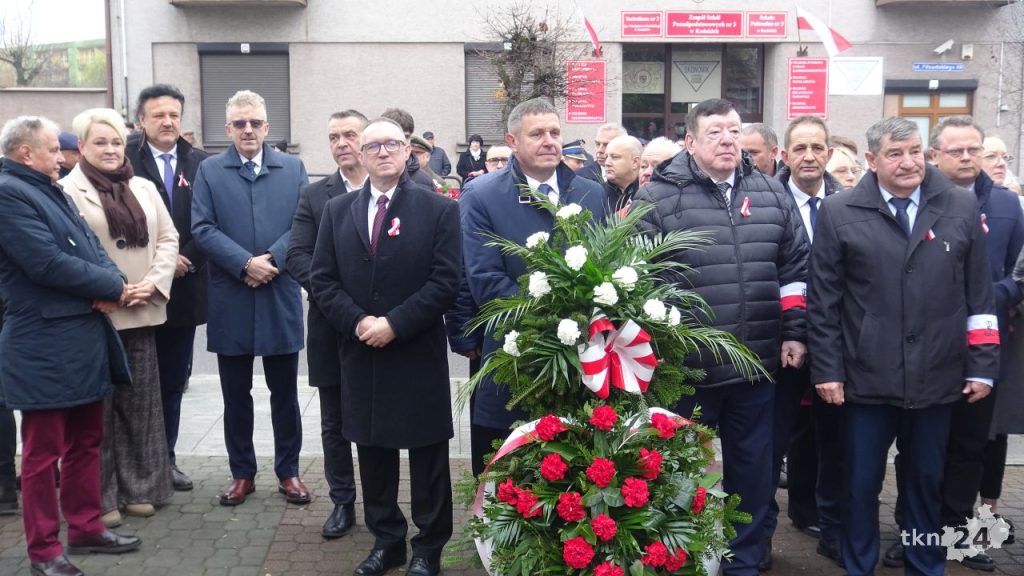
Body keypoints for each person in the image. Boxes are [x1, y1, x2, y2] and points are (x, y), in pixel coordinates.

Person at [809, 116, 999, 576]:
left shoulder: (960, 205)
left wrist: (982, 365)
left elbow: (980, 296)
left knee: (926, 483)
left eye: (915, 151)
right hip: (865, 379)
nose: (908, 162)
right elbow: (824, 302)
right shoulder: (839, 211)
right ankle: (859, 564)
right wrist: (828, 370)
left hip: (938, 375)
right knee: (860, 484)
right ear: (871, 160)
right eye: (895, 154)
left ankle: (924, 563)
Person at [633, 98, 809, 576]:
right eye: (715, 132)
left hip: (756, 366)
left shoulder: (771, 193)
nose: (728, 139)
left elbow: (795, 268)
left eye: (733, 130)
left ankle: (743, 560)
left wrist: (794, 333)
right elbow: (640, 280)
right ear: (690, 141)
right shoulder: (657, 198)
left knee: (753, 472)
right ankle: (686, 559)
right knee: (685, 475)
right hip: (689, 370)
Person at [310, 117, 461, 576]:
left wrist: (395, 324)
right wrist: (359, 322)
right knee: (373, 452)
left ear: (407, 151)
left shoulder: (438, 209)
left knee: (427, 456)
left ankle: (429, 546)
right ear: (361, 154)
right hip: (362, 352)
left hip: (415, 352)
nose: (382, 152)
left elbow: (446, 281)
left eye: (391, 144)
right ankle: (387, 541)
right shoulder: (337, 211)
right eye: (373, 145)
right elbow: (322, 279)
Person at [0, 115, 141, 576]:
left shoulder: (50, 189)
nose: (62, 158)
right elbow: (45, 262)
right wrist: (111, 287)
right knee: (42, 455)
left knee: (86, 439)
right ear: (26, 154)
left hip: (82, 337)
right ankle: (44, 551)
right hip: (42, 343)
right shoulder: (9, 193)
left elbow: (91, 247)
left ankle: (85, 528)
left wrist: (115, 281)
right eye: (52, 150)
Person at [883, 116, 1024, 572]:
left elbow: (1018, 274)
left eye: (973, 149)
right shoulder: (918, 199)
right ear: (934, 155)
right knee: (918, 448)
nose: (967, 157)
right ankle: (912, 533)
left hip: (984, 347)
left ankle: (956, 533)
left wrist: (989, 296)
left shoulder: (1007, 205)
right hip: (926, 349)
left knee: (969, 446)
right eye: (956, 150)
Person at [460, 97, 606, 475]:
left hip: (584, 359)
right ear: (512, 141)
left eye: (555, 132)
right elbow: (485, 280)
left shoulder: (592, 193)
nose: (549, 141)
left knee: (576, 477)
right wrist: (556, 321)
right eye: (537, 133)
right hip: (517, 359)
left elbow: (607, 265)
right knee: (511, 478)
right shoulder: (482, 196)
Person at [191, 90, 311, 507]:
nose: (248, 130)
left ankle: (289, 471)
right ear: (228, 129)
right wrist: (244, 263)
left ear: (266, 127)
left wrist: (271, 259)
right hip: (233, 295)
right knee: (235, 396)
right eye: (239, 123)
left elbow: (303, 224)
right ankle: (242, 472)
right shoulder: (210, 170)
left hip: (278, 291)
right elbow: (202, 228)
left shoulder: (293, 168)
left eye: (255, 123)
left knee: (285, 395)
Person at [61, 108, 179, 528]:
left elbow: (168, 238)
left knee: (141, 406)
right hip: (96, 313)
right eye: (100, 142)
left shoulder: (143, 186)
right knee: (98, 413)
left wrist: (154, 282)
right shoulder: (66, 191)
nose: (110, 149)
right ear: (81, 147)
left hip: (142, 309)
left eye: (115, 141)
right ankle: (102, 496)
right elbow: (69, 250)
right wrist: (112, 288)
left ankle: (141, 489)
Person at [763, 115, 844, 571]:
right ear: (785, 155)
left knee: (835, 442)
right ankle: (761, 536)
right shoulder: (768, 202)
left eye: (817, 148)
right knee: (771, 445)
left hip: (835, 347)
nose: (809, 156)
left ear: (829, 153)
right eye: (800, 148)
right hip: (781, 348)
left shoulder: (851, 204)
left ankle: (832, 530)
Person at [124, 83, 211, 493]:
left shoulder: (201, 164)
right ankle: (133, 465)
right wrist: (160, 263)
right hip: (137, 291)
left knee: (173, 382)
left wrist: (184, 258)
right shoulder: (123, 160)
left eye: (173, 114)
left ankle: (166, 460)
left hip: (183, 290)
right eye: (158, 115)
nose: (167, 121)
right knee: (134, 384)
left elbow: (210, 221)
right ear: (142, 120)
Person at [285, 109, 367, 540]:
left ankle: (382, 504)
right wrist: (337, 298)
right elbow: (297, 255)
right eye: (333, 136)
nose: (341, 143)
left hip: (381, 330)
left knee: (375, 419)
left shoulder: (399, 190)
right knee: (334, 423)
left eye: (349, 134)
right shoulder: (315, 196)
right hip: (330, 326)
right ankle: (342, 501)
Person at [380, 108, 433, 190]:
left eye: (405, 136)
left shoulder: (422, 181)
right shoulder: (371, 172)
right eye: (393, 136)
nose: (400, 141)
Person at [603, 135, 642, 212]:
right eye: (606, 157)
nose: (607, 163)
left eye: (614, 157)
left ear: (635, 162)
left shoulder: (650, 195)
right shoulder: (598, 194)